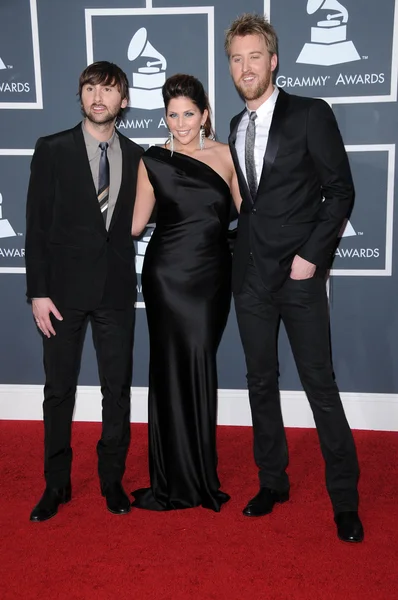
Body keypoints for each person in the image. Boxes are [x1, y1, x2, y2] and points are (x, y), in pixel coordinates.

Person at [225, 14, 363, 542]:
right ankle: (272, 481)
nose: (245, 67)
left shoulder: (309, 114)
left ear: (273, 59)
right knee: (260, 383)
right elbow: (250, 205)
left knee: (320, 386)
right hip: (251, 280)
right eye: (236, 59)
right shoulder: (236, 127)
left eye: (254, 56)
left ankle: (345, 499)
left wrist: (312, 257)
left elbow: (340, 191)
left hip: (300, 277)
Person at [26, 61, 143, 522]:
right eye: (90, 88)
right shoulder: (52, 149)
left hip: (115, 292)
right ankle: (56, 484)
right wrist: (38, 291)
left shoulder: (138, 156)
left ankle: (112, 480)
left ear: (124, 101)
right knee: (58, 391)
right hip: (61, 295)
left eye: (109, 90)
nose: (99, 97)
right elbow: (35, 226)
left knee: (116, 390)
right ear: (81, 96)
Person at [131, 74, 240, 511]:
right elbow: (135, 226)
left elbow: (247, 215)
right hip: (166, 277)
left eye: (189, 114)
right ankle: (173, 478)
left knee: (199, 363)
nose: (180, 123)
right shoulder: (152, 160)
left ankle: (198, 473)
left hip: (211, 276)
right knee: (168, 368)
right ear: (165, 115)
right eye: (173, 115)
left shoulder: (227, 156)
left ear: (205, 114)